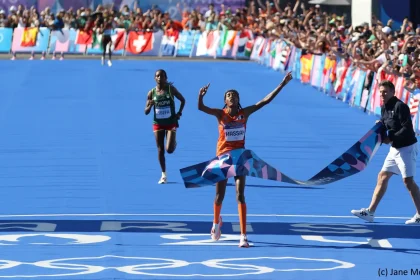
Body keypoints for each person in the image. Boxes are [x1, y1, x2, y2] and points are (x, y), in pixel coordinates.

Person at [197, 72, 293, 247]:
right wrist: (200, 97)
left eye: (234, 95)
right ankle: (216, 223)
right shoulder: (220, 114)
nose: (231, 97)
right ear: (225, 101)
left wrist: (282, 84)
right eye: (228, 95)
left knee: (240, 195)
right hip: (223, 158)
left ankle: (243, 236)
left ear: (238, 99)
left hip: (240, 157)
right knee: (219, 196)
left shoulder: (244, 113)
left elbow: (264, 101)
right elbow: (201, 108)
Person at [351, 80, 420, 225]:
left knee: (408, 181)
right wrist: (380, 125)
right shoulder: (384, 107)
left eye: (385, 92)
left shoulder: (400, 106)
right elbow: (385, 122)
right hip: (394, 148)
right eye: (381, 91)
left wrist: (390, 137)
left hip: (407, 148)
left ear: (393, 92)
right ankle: (370, 212)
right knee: (382, 176)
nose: (382, 94)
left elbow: (407, 129)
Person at [145, 69, 186, 184]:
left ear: (166, 78)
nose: (159, 78)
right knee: (160, 149)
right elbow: (146, 111)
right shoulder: (151, 93)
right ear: (154, 78)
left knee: (169, 150)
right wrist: (149, 106)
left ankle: (173, 142)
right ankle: (163, 175)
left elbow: (183, 100)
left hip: (171, 122)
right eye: (157, 76)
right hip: (157, 124)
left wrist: (179, 113)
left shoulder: (170, 89)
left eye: (162, 76)